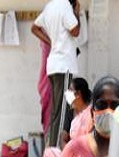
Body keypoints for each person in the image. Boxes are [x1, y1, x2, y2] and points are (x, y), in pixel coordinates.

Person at [36, 77, 94, 157]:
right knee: (50, 153)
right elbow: (63, 136)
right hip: (70, 153)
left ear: (78, 94)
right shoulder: (72, 113)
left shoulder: (89, 115)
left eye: (70, 90)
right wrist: (67, 151)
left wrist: (69, 150)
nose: (67, 93)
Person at [31, 0, 81, 148]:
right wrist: (76, 11)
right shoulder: (65, 6)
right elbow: (75, 31)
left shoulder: (50, 6)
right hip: (63, 65)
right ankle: (56, 151)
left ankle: (52, 149)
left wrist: (51, 42)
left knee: (56, 111)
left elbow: (34, 28)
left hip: (53, 65)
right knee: (63, 111)